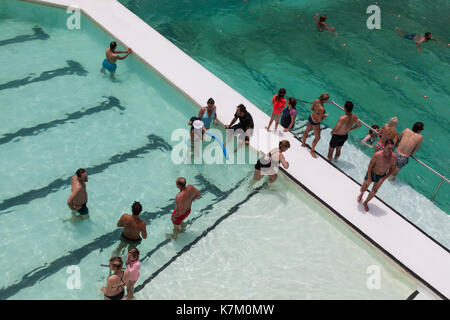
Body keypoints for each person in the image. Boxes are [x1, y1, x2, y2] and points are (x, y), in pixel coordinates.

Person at [357, 139, 397, 212]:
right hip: (372, 173)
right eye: (388, 148)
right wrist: (369, 177)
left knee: (374, 192)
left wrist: (384, 178)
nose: (390, 150)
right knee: (363, 189)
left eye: (392, 148)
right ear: (384, 146)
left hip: (381, 176)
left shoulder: (394, 157)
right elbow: (370, 166)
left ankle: (366, 202)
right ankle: (361, 195)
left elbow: (392, 169)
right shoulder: (377, 155)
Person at [301, 93, 330, 158]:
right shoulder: (322, 109)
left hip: (311, 117)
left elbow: (311, 108)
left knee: (306, 131)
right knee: (318, 137)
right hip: (315, 122)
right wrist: (325, 116)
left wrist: (316, 113)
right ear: (325, 100)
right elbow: (319, 120)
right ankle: (312, 151)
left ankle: (303, 143)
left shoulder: (316, 101)